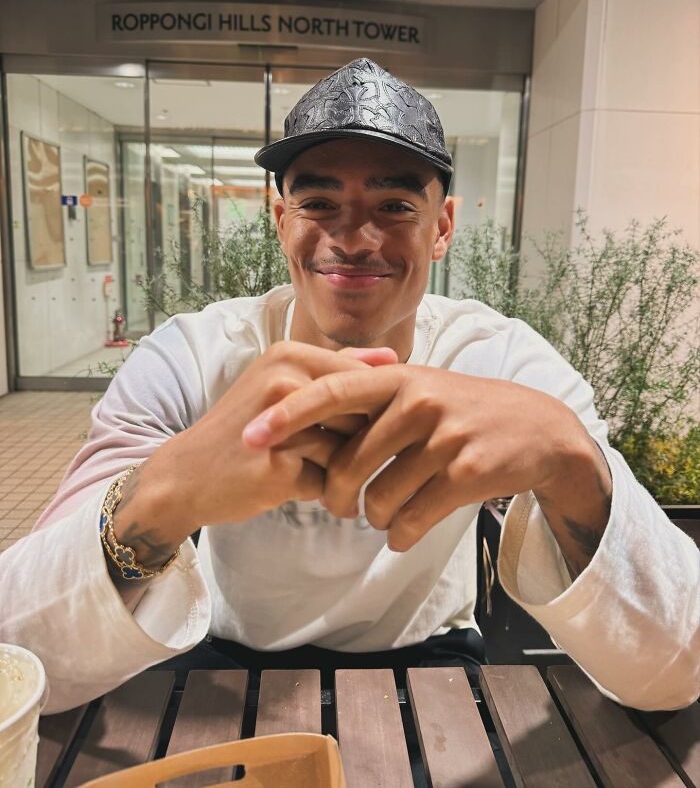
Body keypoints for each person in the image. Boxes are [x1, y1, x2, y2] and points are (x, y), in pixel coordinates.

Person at [2, 58, 698, 715]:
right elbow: (16, 651)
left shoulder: (498, 360)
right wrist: (165, 491)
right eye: (319, 201)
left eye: (395, 204)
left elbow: (677, 669)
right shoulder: (191, 358)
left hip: (430, 663)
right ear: (281, 222)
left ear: (442, 229)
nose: (355, 237)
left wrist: (567, 457)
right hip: (223, 660)